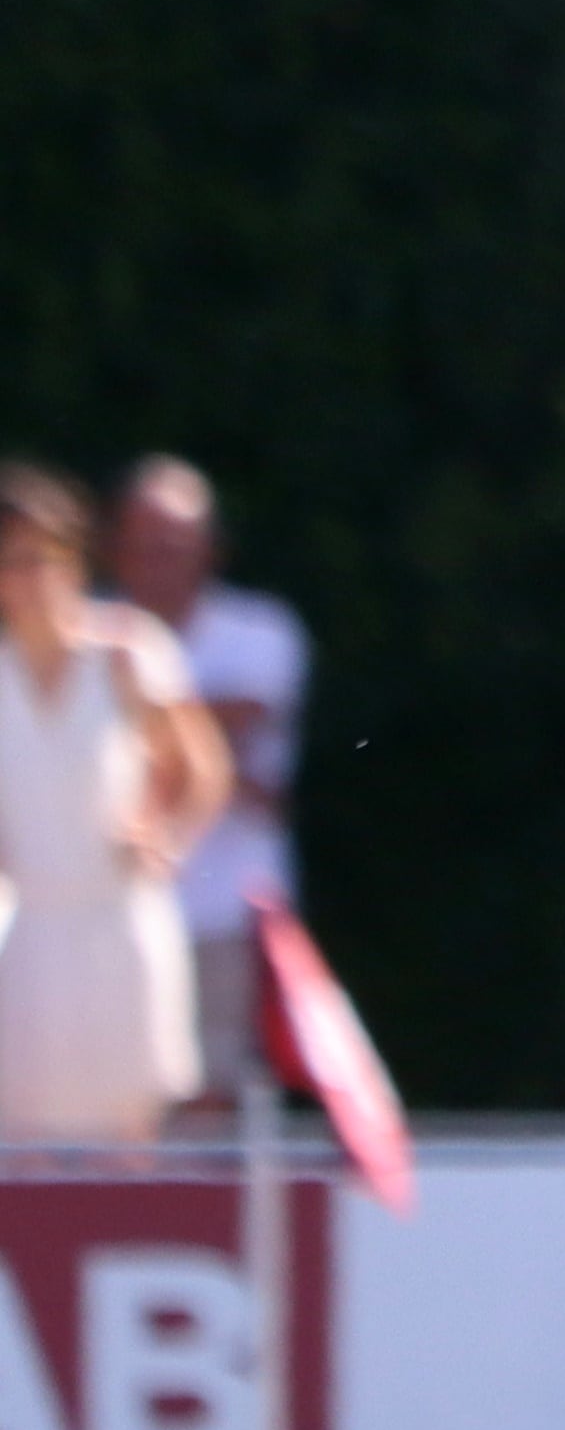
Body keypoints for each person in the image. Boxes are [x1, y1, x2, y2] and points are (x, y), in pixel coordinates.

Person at [0, 461, 232, 1141]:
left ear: (72, 559)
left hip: (119, 922)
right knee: (21, 1132)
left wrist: (167, 834)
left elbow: (203, 766)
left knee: (130, 1132)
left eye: (41, 558)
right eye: (11, 562)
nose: (28, 579)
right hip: (26, 932)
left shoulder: (128, 652)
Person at [108, 455, 312, 1098]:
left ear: (210, 549)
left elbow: (238, 722)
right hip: (112, 910)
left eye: (175, 544)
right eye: (144, 545)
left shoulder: (262, 631)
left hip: (228, 906)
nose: (159, 560)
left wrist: (123, 721)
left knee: (216, 1087)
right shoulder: (95, 635)